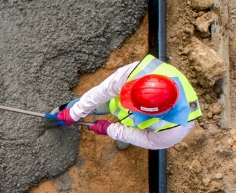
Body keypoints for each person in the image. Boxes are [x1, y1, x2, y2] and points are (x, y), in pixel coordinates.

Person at [46, 55, 202, 150]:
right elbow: (103, 91)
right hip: (115, 101)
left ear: (151, 113)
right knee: (89, 105)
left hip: (141, 126)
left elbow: (147, 139)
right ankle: (61, 113)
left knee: (130, 132)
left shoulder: (174, 130)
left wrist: (112, 130)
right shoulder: (139, 72)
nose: (128, 106)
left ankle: (122, 135)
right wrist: (75, 112)